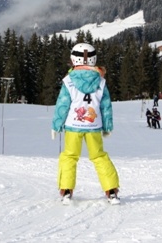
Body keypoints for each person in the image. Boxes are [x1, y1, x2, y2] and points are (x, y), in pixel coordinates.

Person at [52, 43, 120, 205]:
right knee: (99, 156)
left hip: (73, 126)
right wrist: (107, 126)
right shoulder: (101, 82)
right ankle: (111, 190)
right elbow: (106, 106)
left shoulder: (68, 81)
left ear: (73, 59)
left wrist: (56, 125)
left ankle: (66, 190)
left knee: (69, 156)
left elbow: (62, 105)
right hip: (93, 126)